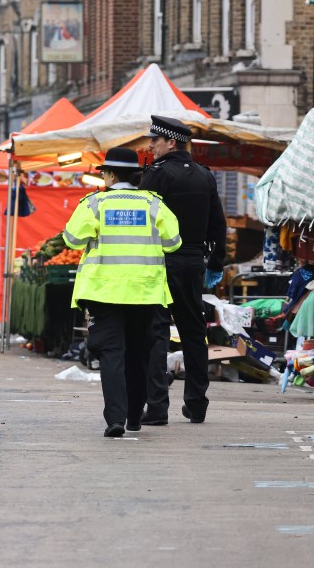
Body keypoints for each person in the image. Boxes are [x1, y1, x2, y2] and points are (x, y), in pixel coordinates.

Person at [62, 148, 181, 437]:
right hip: (145, 292)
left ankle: (115, 419)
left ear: (111, 174)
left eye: (103, 173)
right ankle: (135, 417)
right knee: (139, 354)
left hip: (105, 292)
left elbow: (73, 239)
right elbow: (173, 242)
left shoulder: (95, 204)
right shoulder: (154, 205)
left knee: (112, 354)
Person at [140, 115, 227, 426]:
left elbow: (145, 222)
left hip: (161, 261)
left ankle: (157, 406)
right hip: (193, 263)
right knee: (193, 332)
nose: (150, 146)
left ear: (171, 142)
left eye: (155, 141)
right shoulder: (205, 176)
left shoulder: (156, 175)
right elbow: (218, 223)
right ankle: (197, 404)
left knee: (157, 332)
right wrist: (216, 263)